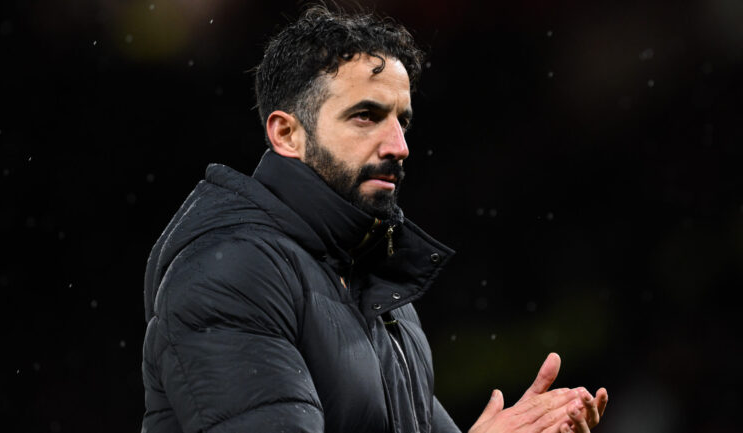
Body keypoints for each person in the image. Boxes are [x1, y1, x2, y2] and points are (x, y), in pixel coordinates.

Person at [141, 6, 608, 433]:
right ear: (286, 133)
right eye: (366, 116)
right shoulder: (233, 273)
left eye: (402, 121)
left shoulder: (378, 287)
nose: (398, 146)